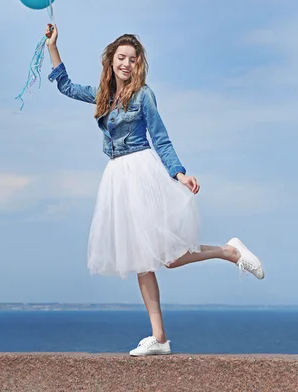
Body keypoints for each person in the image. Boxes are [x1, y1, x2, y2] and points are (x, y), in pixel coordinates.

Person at [45, 24, 264, 357]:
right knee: (142, 260)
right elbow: (66, 86)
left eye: (132, 59)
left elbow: (160, 137)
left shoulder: (143, 95)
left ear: (138, 64)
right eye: (121, 57)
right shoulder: (104, 95)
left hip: (141, 172)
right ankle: (159, 337)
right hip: (117, 177)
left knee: (169, 257)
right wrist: (53, 46)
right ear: (111, 60)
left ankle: (229, 251)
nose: (126, 64)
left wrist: (179, 173)